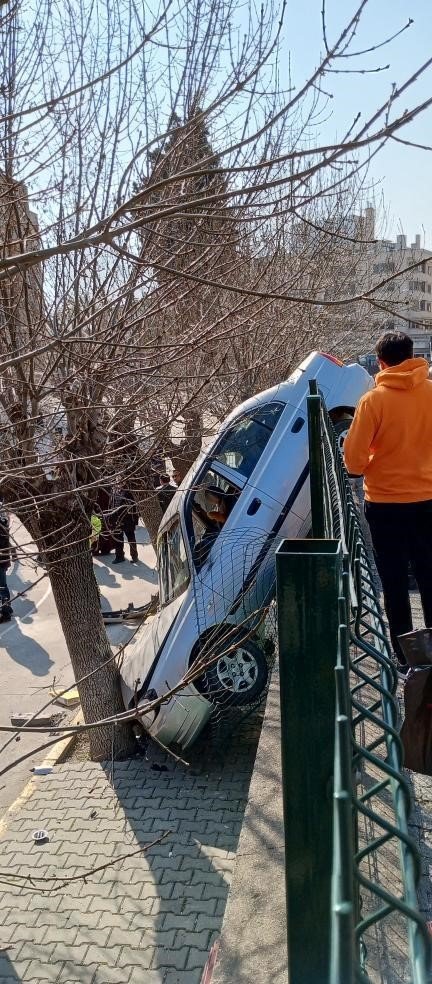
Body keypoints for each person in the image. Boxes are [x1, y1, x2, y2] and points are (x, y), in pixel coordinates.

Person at [344, 331, 432, 672]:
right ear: (413, 358)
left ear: (380, 363)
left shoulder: (373, 401)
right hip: (428, 500)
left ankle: (405, 659)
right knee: (429, 576)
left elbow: (354, 463)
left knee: (394, 583)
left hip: (386, 504)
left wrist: (374, 461)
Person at [109, 485, 139, 564]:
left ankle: (134, 556)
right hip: (116, 520)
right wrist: (110, 518)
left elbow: (134, 507)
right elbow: (111, 505)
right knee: (118, 539)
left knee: (131, 538)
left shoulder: (129, 492)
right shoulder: (113, 491)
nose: (119, 483)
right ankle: (119, 556)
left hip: (128, 520)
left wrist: (135, 521)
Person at [0, 511, 13, 623]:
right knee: (3, 587)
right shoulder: (3, 522)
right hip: (3, 561)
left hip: (1, 562)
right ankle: (7, 609)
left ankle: (6, 613)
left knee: (2, 588)